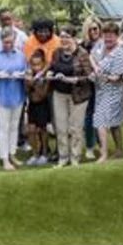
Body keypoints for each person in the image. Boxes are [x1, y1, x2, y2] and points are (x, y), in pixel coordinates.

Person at [48, 25, 94, 168]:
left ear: (74, 38)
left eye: (67, 36)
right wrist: (50, 74)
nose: (63, 39)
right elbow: (52, 68)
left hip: (78, 95)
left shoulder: (82, 54)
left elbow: (90, 76)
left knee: (75, 127)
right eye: (61, 36)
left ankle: (75, 157)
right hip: (59, 93)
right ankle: (63, 157)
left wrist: (75, 80)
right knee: (61, 127)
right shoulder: (56, 53)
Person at [0, 27, 27, 171]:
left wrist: (22, 74)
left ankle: (12, 153)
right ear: (1, 41)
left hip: (17, 94)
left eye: (11, 42)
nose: (8, 45)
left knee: (15, 126)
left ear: (15, 40)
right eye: (5, 42)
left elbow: (26, 72)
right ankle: (4, 158)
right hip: (1, 96)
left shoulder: (20, 55)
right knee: (3, 128)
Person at [0, 8, 30, 152]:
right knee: (2, 121)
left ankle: (18, 142)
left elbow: (26, 59)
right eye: (4, 19)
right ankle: (3, 149)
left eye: (9, 18)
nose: (7, 21)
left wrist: (24, 73)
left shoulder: (22, 36)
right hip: (0, 87)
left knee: (17, 118)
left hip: (17, 86)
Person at [91, 22, 123, 164]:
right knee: (113, 123)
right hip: (100, 90)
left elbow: (116, 77)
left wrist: (102, 76)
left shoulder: (119, 53)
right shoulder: (100, 45)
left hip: (114, 90)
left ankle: (104, 154)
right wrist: (96, 69)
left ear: (117, 36)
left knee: (101, 120)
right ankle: (119, 150)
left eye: (111, 36)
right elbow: (91, 57)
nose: (108, 39)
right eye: (106, 36)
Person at [80, 16, 102, 160]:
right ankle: (89, 146)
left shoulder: (105, 44)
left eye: (96, 28)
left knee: (102, 115)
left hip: (104, 84)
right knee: (89, 116)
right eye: (91, 29)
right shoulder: (82, 46)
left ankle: (102, 144)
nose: (94, 31)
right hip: (88, 85)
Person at [24, 50, 51, 166]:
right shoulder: (29, 75)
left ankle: (44, 153)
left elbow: (42, 94)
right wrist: (29, 82)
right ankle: (35, 154)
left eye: (38, 64)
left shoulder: (46, 76)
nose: (36, 67)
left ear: (43, 64)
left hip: (43, 104)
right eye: (33, 65)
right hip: (32, 105)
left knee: (42, 130)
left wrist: (35, 82)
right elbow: (27, 91)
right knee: (31, 130)